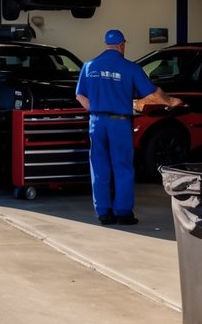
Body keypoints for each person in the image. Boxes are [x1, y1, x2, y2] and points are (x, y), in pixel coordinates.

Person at [76, 28, 182, 226]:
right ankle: (123, 213)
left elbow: (80, 95)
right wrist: (170, 101)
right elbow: (153, 92)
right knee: (122, 166)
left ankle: (104, 213)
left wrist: (97, 109)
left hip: (97, 122)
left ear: (106, 43)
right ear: (122, 45)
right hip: (119, 123)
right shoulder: (130, 68)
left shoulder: (89, 66)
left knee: (99, 167)